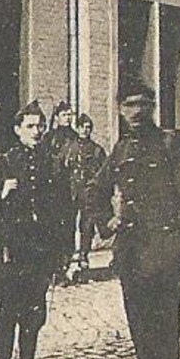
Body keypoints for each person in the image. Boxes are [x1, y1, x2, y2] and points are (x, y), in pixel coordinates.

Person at [88, 79, 180, 359]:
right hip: (133, 258)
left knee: (165, 337)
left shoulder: (172, 145)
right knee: (141, 336)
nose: (137, 111)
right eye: (130, 105)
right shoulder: (120, 151)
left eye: (144, 104)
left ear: (154, 107)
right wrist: (107, 222)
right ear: (120, 109)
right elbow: (93, 191)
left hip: (166, 258)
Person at [0, 100, 72, 359]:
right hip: (12, 250)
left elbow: (63, 208)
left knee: (35, 313)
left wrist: (63, 251)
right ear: (17, 129)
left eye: (40, 126)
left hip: (41, 249)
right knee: (8, 312)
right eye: (30, 126)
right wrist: (1, 192)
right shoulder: (3, 163)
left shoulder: (51, 162)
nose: (36, 131)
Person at [58, 112, 110, 276]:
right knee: (68, 225)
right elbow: (60, 168)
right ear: (78, 128)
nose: (85, 131)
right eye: (83, 127)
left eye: (88, 128)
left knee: (87, 226)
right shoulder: (69, 147)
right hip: (70, 192)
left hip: (89, 194)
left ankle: (83, 256)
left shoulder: (96, 150)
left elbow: (104, 172)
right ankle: (67, 257)